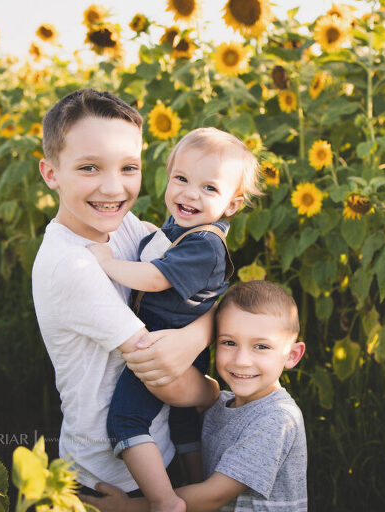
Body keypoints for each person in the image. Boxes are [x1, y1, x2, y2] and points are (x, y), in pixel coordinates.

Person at [32, 89, 218, 509]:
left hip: (156, 447)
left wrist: (192, 337)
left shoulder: (125, 225)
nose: (113, 188)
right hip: (109, 476)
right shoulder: (71, 265)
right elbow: (161, 369)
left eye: (128, 167)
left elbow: (202, 281)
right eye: (89, 167)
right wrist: (212, 394)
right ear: (50, 172)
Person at [89, 127, 262, 511]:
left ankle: (165, 501)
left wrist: (108, 264)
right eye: (181, 179)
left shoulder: (205, 245)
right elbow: (160, 248)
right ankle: (195, 481)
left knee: (126, 420)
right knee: (183, 424)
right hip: (180, 343)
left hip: (166, 347)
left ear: (232, 205)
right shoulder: (182, 227)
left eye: (209, 189)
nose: (189, 194)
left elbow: (155, 277)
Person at [83, 280, 308, 512]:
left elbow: (213, 496)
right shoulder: (222, 404)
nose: (241, 360)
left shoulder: (277, 419)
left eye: (261, 347)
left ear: (292, 355)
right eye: (229, 342)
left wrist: (127, 508)